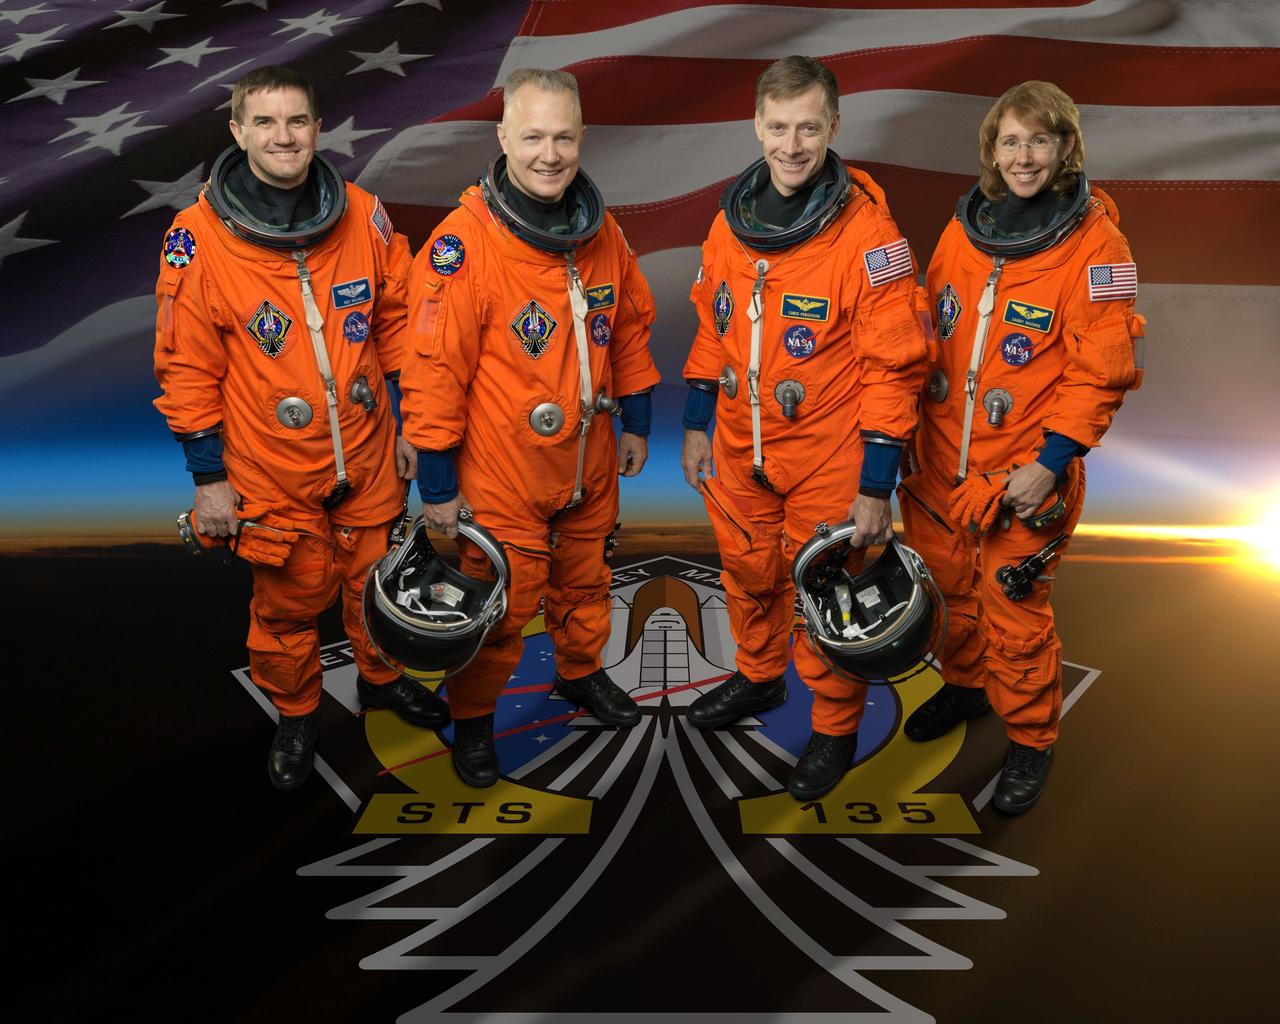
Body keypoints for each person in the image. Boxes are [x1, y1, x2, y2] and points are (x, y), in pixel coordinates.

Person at [153, 65, 449, 791]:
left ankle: (380, 680)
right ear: (238, 132)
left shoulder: (363, 213)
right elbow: (185, 366)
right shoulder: (197, 239)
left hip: (369, 452)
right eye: (264, 122)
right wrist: (209, 479)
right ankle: (296, 711)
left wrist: (412, 424)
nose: (283, 137)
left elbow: (398, 323)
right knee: (288, 603)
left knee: (379, 583)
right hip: (271, 466)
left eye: (296, 121)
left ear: (317, 128)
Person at [399, 68, 660, 788]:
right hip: (501, 472)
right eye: (534, 137)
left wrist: (636, 422)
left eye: (564, 138)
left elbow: (628, 327)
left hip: (588, 460)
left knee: (586, 582)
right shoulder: (463, 247)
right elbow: (432, 373)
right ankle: (474, 721)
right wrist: (438, 484)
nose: (550, 155)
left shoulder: (602, 232)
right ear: (503, 136)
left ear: (583, 138)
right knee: (498, 608)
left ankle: (579, 671)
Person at [680, 56, 931, 800]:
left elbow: (894, 369)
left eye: (809, 128)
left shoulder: (869, 238)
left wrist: (875, 486)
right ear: (757, 125)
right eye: (780, 127)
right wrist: (695, 422)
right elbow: (713, 326)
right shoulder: (731, 221)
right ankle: (759, 675)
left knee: (829, 593)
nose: (792, 146)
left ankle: (833, 729)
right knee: (748, 572)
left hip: (829, 452)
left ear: (834, 128)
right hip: (740, 442)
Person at [901, 80, 1144, 813]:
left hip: (1023, 473)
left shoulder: (1099, 247)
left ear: (1067, 147)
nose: (1024, 157)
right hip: (940, 464)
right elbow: (930, 333)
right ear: (992, 149)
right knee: (949, 593)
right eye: (1011, 141)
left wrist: (1050, 464)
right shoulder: (965, 228)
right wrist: (907, 431)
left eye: (1039, 140)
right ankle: (966, 686)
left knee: (1015, 616)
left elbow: (1101, 372)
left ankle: (1032, 741)